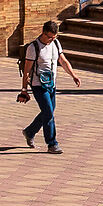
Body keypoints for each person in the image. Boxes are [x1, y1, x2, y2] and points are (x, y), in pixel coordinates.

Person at [17, 20, 80, 153]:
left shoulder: (56, 43)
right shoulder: (33, 48)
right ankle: (52, 144)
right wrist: (24, 90)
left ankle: (29, 132)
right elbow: (27, 70)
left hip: (51, 84)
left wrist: (73, 75)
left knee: (48, 112)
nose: (51, 40)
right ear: (43, 33)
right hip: (38, 85)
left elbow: (63, 61)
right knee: (48, 112)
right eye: (49, 37)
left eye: (54, 37)